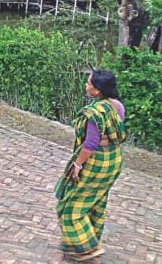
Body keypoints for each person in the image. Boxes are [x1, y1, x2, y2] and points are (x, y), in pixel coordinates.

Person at [55, 69, 127, 261]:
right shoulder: (117, 106)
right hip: (113, 160)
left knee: (71, 206)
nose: (86, 86)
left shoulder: (94, 112)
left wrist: (77, 165)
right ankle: (77, 244)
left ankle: (87, 247)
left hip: (96, 162)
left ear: (97, 90)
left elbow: (91, 144)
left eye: (89, 83)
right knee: (96, 202)